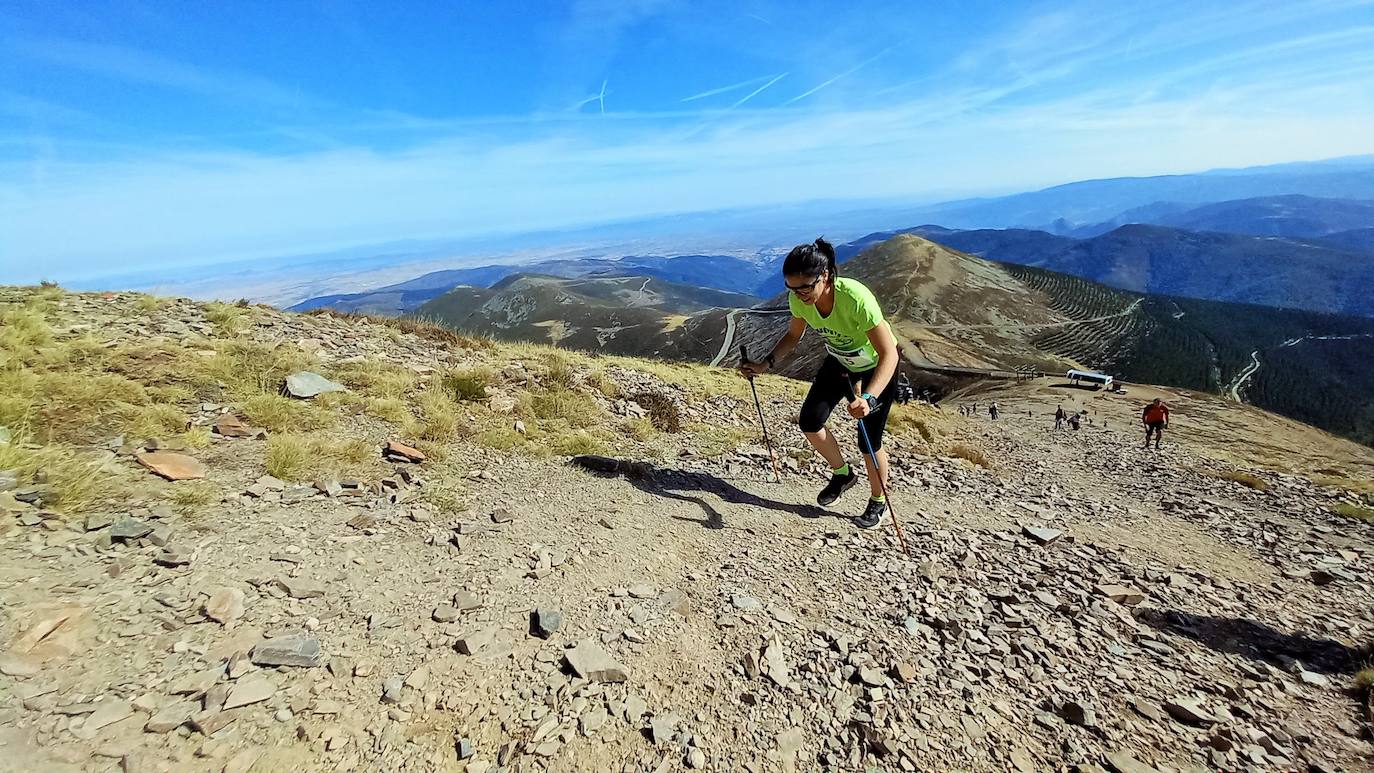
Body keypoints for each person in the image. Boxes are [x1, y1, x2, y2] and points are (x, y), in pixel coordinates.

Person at [740, 237, 899, 529]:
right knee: (810, 421)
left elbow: (889, 353)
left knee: (868, 441)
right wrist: (764, 365)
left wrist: (871, 398)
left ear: (824, 276)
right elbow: (793, 337)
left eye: (805, 287)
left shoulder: (855, 299)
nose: (799, 294)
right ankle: (842, 474)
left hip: (875, 369)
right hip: (839, 364)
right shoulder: (798, 300)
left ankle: (878, 501)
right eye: (792, 288)